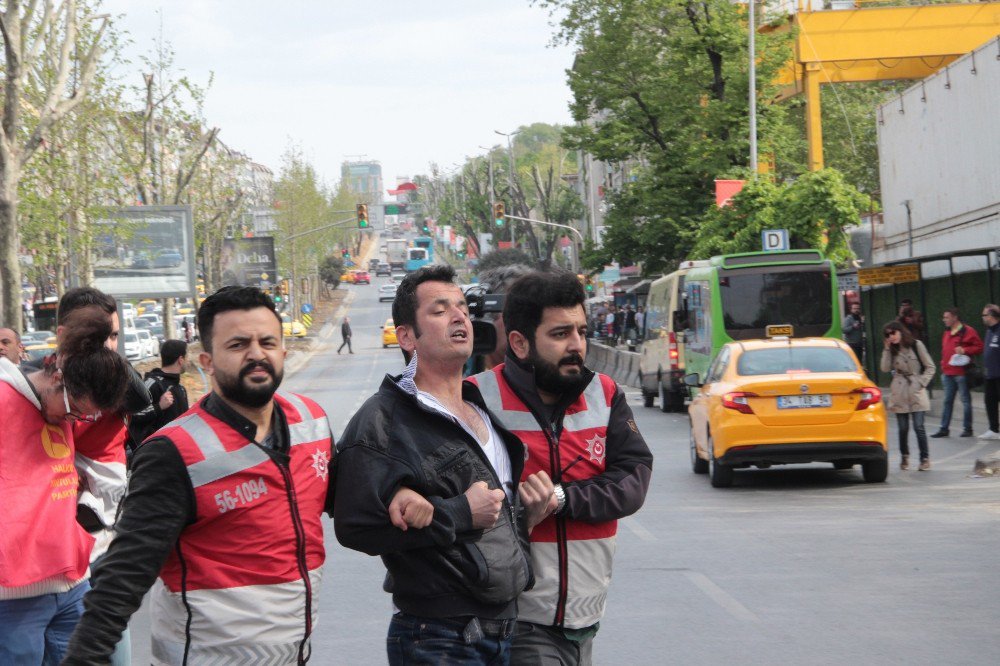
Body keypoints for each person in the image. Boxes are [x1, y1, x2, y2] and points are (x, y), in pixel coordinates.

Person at [64, 286, 338, 664]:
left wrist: (400, 492)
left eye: (268, 342)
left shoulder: (313, 423)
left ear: (284, 351)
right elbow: (123, 577)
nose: (257, 354)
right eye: (238, 344)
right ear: (206, 361)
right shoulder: (174, 451)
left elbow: (355, 504)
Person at [334, 265, 551, 665]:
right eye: (439, 310)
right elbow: (356, 525)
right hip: (439, 637)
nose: (459, 317)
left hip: (504, 629)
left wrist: (526, 516)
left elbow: (490, 521)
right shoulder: (383, 419)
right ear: (406, 337)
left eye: (463, 309)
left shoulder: (480, 409)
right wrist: (458, 512)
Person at [468, 269, 654, 664]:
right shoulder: (476, 400)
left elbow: (633, 479)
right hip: (519, 618)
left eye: (582, 331)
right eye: (560, 334)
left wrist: (561, 497)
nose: (577, 346)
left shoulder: (604, 393)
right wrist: (521, 509)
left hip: (585, 616)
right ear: (518, 342)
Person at [0, 306, 131, 665]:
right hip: (11, 597)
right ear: (56, 374)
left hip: (73, 583)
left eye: (84, 416)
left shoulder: (67, 405)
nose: (73, 420)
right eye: (73, 409)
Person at [881, 321, 936, 471]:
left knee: (919, 426)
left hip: (915, 388)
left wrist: (922, 382)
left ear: (901, 331)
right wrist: (886, 349)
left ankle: (924, 459)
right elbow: (885, 368)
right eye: (887, 335)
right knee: (903, 428)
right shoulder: (891, 350)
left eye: (893, 333)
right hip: (899, 390)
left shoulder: (916, 345)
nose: (891, 337)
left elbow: (931, 367)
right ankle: (904, 455)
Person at [127, 340, 191, 448]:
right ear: (180, 360)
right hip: (154, 453)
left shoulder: (181, 389)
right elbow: (131, 415)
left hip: (180, 451)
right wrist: (159, 407)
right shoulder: (152, 384)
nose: (189, 361)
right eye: (187, 357)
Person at [930, 308, 983, 438]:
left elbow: (979, 347)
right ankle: (944, 428)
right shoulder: (947, 332)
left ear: (955, 318)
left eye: (946, 317)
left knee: (965, 400)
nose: (944, 320)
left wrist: (965, 350)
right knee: (947, 401)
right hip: (947, 372)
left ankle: (967, 428)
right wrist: (943, 364)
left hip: (961, 373)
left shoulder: (968, 331)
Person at [980, 304, 1000, 440]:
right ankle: (994, 429)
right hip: (990, 374)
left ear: (991, 316)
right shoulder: (989, 331)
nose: (983, 317)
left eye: (984, 315)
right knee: (989, 401)